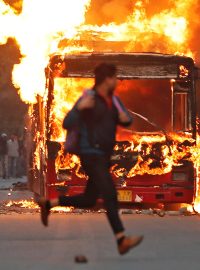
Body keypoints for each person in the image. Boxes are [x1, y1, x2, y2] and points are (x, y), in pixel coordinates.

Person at [38, 63, 143, 255]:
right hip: (90, 154)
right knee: (110, 195)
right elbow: (67, 122)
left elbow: (127, 120)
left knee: (89, 199)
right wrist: (79, 109)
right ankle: (121, 239)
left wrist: (122, 117)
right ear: (107, 80)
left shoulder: (114, 100)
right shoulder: (88, 98)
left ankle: (49, 203)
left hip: (104, 156)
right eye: (114, 78)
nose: (117, 82)